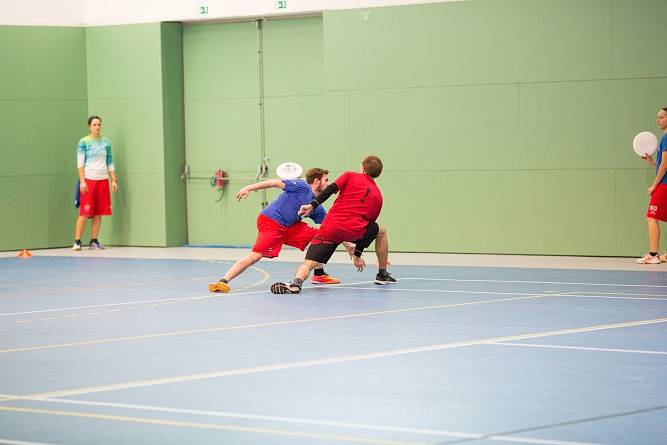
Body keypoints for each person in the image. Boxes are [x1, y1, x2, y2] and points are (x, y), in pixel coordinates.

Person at [208, 168, 348, 293]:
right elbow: (274, 183)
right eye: (326, 180)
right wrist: (248, 188)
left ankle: (319, 274)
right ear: (316, 181)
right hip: (272, 221)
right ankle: (222, 281)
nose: (328, 183)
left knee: (321, 238)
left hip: (291, 227)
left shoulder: (316, 205)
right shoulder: (301, 186)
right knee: (255, 256)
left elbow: (331, 227)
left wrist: (349, 246)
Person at [270, 155, 395, 294]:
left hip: (330, 228)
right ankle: (382, 274)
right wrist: (358, 254)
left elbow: (330, 189)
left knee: (309, 262)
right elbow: (369, 227)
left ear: (363, 167)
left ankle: (296, 283)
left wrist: (312, 205)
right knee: (380, 230)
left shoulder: (350, 176)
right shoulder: (378, 196)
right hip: (353, 231)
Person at [73, 116, 117, 251]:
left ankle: (93, 241)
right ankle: (77, 241)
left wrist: (113, 179)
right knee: (85, 213)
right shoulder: (83, 142)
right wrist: (82, 181)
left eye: (99, 124)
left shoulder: (106, 142)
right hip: (89, 180)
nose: (97, 127)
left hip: (103, 180)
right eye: (94, 125)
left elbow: (109, 161)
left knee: (98, 213)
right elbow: (80, 164)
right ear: (89, 126)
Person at [636, 107, 667, 264]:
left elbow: (665, 165)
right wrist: (653, 162)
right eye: (657, 117)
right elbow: (662, 163)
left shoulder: (666, 137)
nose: (658, 120)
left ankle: (653, 255)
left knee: (651, 216)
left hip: (664, 184)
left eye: (661, 117)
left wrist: (654, 185)